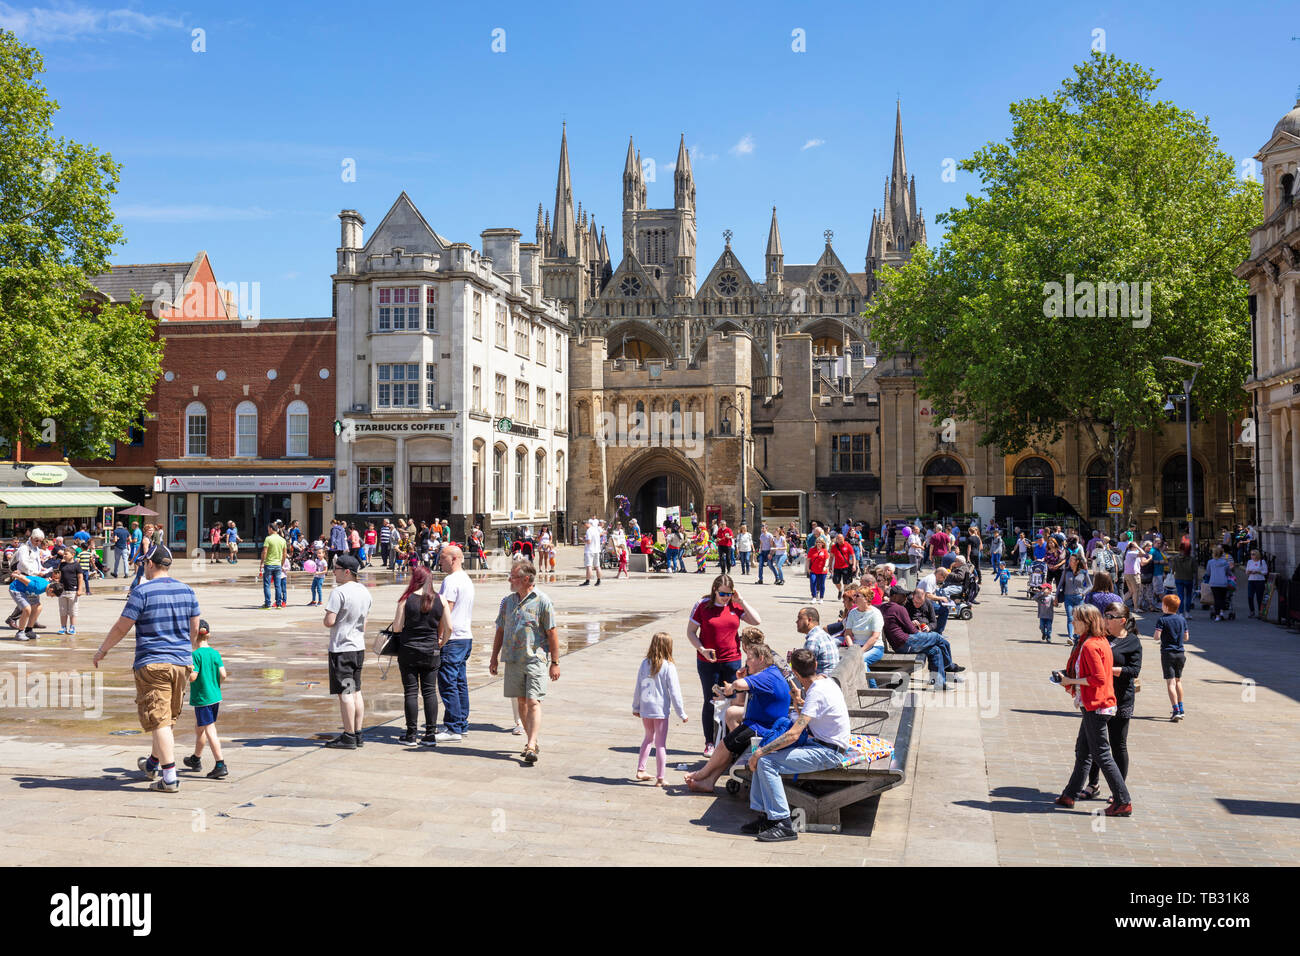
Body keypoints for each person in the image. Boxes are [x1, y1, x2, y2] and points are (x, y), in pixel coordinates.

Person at [92, 546, 200, 792]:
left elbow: (122, 626)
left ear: (150, 563)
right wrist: (189, 655)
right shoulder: (188, 590)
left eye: (143, 562)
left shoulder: (141, 591)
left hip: (153, 663)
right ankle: (152, 763)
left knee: (159, 720)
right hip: (181, 662)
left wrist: (103, 650)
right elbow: (194, 629)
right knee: (166, 718)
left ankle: (169, 778)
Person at [739, 647, 851, 842]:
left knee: (765, 761)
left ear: (796, 674)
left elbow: (793, 734)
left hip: (829, 752)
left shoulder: (816, 693)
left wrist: (759, 753)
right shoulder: (826, 681)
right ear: (815, 665)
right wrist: (798, 701)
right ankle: (766, 816)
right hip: (821, 743)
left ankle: (783, 823)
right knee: (764, 755)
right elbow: (809, 717)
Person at [1054, 604, 1132, 816]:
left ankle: (1123, 801)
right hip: (1096, 704)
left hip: (1097, 705)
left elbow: (1098, 678)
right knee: (1083, 751)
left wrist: (1070, 680)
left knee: (1102, 755)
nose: (1072, 623)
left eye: (1075, 620)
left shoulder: (1090, 645)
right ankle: (1070, 794)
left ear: (1087, 622)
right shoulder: (1097, 641)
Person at [684, 641, 790, 793]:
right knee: (728, 747)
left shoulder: (766, 676)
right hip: (762, 725)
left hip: (763, 729)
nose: (746, 662)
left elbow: (739, 685)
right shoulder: (769, 673)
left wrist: (733, 685)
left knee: (724, 745)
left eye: (749, 658)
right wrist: (739, 680)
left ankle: (701, 774)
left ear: (760, 659)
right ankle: (708, 782)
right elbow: (740, 701)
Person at [489, 560, 558, 764]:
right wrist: (494, 657)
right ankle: (532, 741)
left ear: (526, 579)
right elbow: (500, 630)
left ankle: (530, 744)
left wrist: (555, 662)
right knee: (521, 701)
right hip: (513, 660)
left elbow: (552, 632)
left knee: (533, 701)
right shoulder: (508, 601)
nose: (510, 580)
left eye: (514, 576)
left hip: (535, 659)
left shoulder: (543, 601)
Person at [686, 574, 762, 755]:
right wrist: (702, 649)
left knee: (734, 701)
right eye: (722, 594)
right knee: (710, 700)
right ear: (714, 590)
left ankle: (729, 742)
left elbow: (756, 620)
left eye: (728, 594)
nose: (725, 597)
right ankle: (710, 742)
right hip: (708, 662)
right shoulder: (702, 605)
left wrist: (741, 601)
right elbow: (690, 632)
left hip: (732, 660)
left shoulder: (734, 605)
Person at [1076, 601, 1142, 802]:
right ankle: (1093, 784)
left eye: (1110, 616)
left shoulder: (1132, 642)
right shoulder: (1101, 637)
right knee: (1096, 743)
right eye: (1105, 615)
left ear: (1122, 621)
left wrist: (1107, 670)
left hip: (1122, 698)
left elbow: (1134, 670)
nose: (1105, 619)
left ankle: (1118, 789)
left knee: (1117, 744)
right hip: (1100, 698)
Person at [391, 564, 448, 745]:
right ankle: (430, 734)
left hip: (408, 649)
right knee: (430, 691)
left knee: (411, 691)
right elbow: (449, 627)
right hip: (431, 651)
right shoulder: (441, 599)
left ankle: (411, 734)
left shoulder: (406, 599)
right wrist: (442, 642)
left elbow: (397, 627)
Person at [322, 553, 372, 749]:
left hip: (342, 649)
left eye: (336, 568)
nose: (333, 572)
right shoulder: (365, 592)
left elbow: (329, 621)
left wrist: (327, 619)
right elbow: (365, 623)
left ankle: (349, 734)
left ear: (347, 572)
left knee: (345, 694)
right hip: (358, 647)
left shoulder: (339, 592)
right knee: (355, 690)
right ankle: (357, 732)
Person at [431, 543, 475, 741]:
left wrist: (440, 636)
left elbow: (445, 612)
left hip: (453, 638)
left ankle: (453, 728)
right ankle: (461, 723)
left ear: (454, 559)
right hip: (465, 636)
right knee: (459, 682)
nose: (439, 561)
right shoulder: (466, 579)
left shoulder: (451, 580)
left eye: (443, 558)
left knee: (448, 682)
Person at [632, 632, 688, 786]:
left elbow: (638, 686)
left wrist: (635, 706)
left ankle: (641, 769)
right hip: (660, 711)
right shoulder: (668, 666)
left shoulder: (644, 663)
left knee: (648, 738)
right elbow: (675, 692)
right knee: (661, 744)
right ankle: (660, 778)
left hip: (645, 708)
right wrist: (681, 712)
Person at [882, 586, 959, 689]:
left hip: (900, 643)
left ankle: (939, 683)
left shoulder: (884, 607)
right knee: (937, 637)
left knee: (935, 650)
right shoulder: (900, 608)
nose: (905, 597)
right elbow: (913, 631)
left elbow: (872, 606)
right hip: (905, 643)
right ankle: (949, 665)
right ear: (895, 597)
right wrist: (915, 627)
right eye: (903, 595)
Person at [182, 619, 229, 779]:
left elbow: (193, 677)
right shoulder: (215, 653)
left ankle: (220, 763)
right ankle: (195, 758)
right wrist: (215, 684)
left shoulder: (194, 655)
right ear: (208, 635)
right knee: (200, 727)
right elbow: (223, 674)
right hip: (215, 697)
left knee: (210, 730)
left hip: (203, 698)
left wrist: (187, 671)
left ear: (193, 635)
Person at [1154, 593, 1188, 721]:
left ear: (1167, 607)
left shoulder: (1162, 620)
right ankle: (1181, 707)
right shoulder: (1182, 619)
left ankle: (1175, 710)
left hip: (1168, 653)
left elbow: (1157, 636)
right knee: (1178, 680)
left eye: (1163, 604)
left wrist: (1158, 637)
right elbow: (1186, 637)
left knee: (1170, 682)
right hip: (1180, 653)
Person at [795, 606, 840, 676]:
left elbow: (805, 669)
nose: (796, 621)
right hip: (831, 679)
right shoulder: (824, 634)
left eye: (799, 618)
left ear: (809, 620)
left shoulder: (813, 640)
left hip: (822, 682)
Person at [1059, 553, 1091, 644]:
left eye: (1072, 560)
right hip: (1068, 597)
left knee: (1079, 618)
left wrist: (1083, 593)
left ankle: (1077, 636)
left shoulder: (1083, 572)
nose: (1070, 561)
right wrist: (1056, 596)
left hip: (1079, 598)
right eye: (1070, 560)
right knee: (1070, 618)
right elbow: (1060, 584)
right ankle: (1071, 637)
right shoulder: (1066, 571)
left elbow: (1090, 586)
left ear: (1077, 562)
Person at [259, 522, 288, 610]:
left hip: (269, 564)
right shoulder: (282, 540)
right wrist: (282, 564)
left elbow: (264, 552)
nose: (268, 530)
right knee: (278, 585)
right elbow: (285, 554)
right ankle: (278, 604)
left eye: (268, 529)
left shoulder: (268, 539)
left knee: (267, 585)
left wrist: (262, 563)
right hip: (278, 565)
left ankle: (267, 604)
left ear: (271, 529)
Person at [1206, 546, 1234, 622]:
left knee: (1216, 599)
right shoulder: (1225, 562)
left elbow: (1208, 573)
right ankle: (1221, 612)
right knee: (1223, 598)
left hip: (1214, 582)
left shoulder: (1210, 562)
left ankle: (1217, 615)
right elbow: (1228, 572)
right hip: (1223, 582)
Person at [56, 547, 81, 635]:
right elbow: (58, 575)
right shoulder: (62, 564)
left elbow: (80, 577)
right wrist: (56, 585)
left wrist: (80, 589)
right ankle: (63, 627)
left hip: (73, 591)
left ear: (73, 555)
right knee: (63, 610)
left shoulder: (76, 565)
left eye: (66, 554)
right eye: (64, 554)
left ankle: (72, 627)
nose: (64, 556)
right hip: (62, 591)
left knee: (73, 610)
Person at [1169, 543, 1198, 615]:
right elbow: (1195, 570)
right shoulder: (1192, 559)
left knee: (1180, 595)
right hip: (1188, 578)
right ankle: (1187, 612)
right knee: (1188, 595)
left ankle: (1181, 612)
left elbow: (1172, 569)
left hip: (1178, 578)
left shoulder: (1175, 558)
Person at [829, 533, 856, 601]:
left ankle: (845, 596)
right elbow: (831, 557)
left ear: (843, 538)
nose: (839, 540)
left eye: (840, 539)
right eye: (837, 539)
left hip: (846, 567)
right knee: (835, 581)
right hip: (837, 567)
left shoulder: (848, 545)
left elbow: (853, 556)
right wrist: (830, 566)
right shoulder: (834, 546)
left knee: (846, 583)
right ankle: (840, 590)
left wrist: (854, 565)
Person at [806, 536, 830, 603]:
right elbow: (808, 560)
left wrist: (825, 566)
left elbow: (827, 559)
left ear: (823, 543)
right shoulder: (812, 550)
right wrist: (807, 568)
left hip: (822, 571)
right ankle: (814, 597)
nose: (818, 543)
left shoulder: (824, 551)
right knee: (813, 583)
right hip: (813, 570)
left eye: (820, 542)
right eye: (817, 542)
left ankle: (821, 598)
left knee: (821, 584)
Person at [1246, 549, 1268, 618]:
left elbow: (1265, 572)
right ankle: (1252, 611)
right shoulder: (1249, 562)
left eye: (1253, 554)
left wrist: (1258, 572)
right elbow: (1246, 571)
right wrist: (1249, 572)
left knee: (1259, 597)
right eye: (1251, 554)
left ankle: (1260, 612)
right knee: (1250, 596)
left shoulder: (1262, 562)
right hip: (1251, 580)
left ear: (1257, 555)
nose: (1252, 556)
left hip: (1260, 581)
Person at [581, 518, 603, 586]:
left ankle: (588, 581)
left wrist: (583, 540)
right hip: (597, 550)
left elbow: (589, 541)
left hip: (590, 550)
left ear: (586, 524)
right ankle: (599, 580)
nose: (584, 527)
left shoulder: (589, 531)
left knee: (589, 566)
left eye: (584, 525)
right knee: (597, 566)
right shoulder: (596, 530)